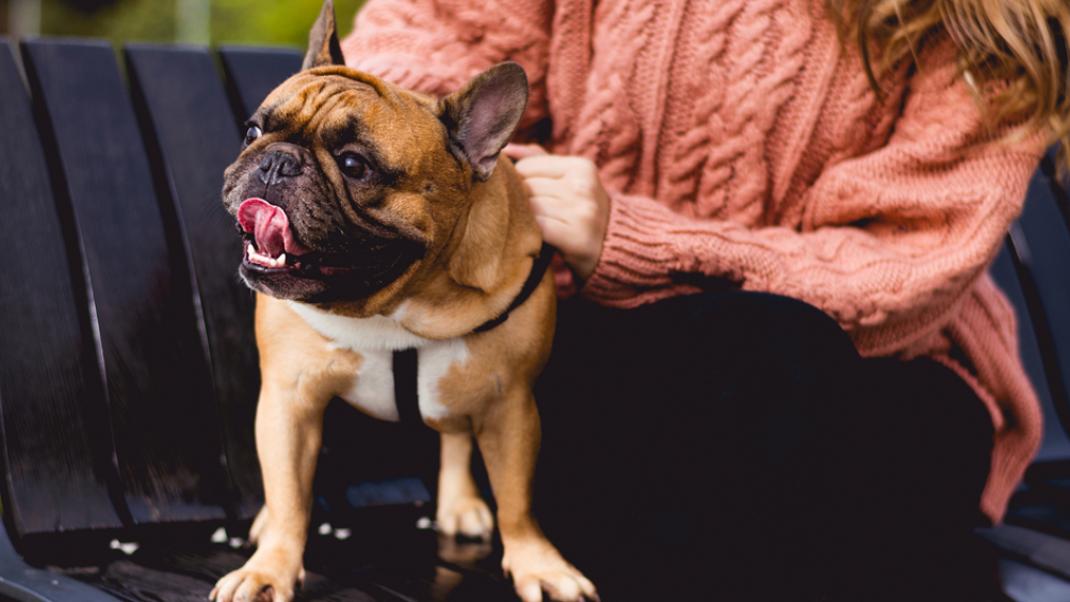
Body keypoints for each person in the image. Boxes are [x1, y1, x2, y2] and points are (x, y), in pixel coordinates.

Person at [340, 1, 1069, 600]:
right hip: (582, 340)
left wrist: (637, 240)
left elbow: (907, 264)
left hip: (877, 372)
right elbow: (417, 55)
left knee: (769, 361)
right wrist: (507, 192)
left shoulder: (988, 24)